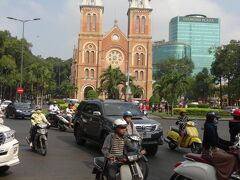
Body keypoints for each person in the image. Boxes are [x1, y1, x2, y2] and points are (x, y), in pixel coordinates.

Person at [202, 111, 239, 180]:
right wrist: (228, 147)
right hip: (210, 152)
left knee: (231, 154)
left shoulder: (211, 125)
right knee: (232, 157)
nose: (218, 120)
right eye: (217, 118)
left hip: (213, 150)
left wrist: (230, 143)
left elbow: (218, 139)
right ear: (212, 118)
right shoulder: (210, 128)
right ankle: (224, 177)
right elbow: (214, 143)